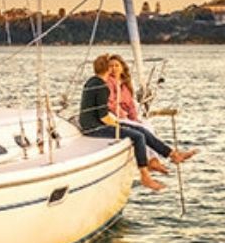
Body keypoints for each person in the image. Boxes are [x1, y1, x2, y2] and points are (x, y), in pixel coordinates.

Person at [79, 53, 196, 191]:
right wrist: (119, 125)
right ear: (108, 69)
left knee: (141, 130)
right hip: (95, 127)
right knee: (138, 136)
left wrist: (125, 123)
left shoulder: (92, 82)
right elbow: (104, 116)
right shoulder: (102, 86)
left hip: (94, 124)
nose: (113, 69)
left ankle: (172, 154)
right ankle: (145, 176)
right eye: (111, 66)